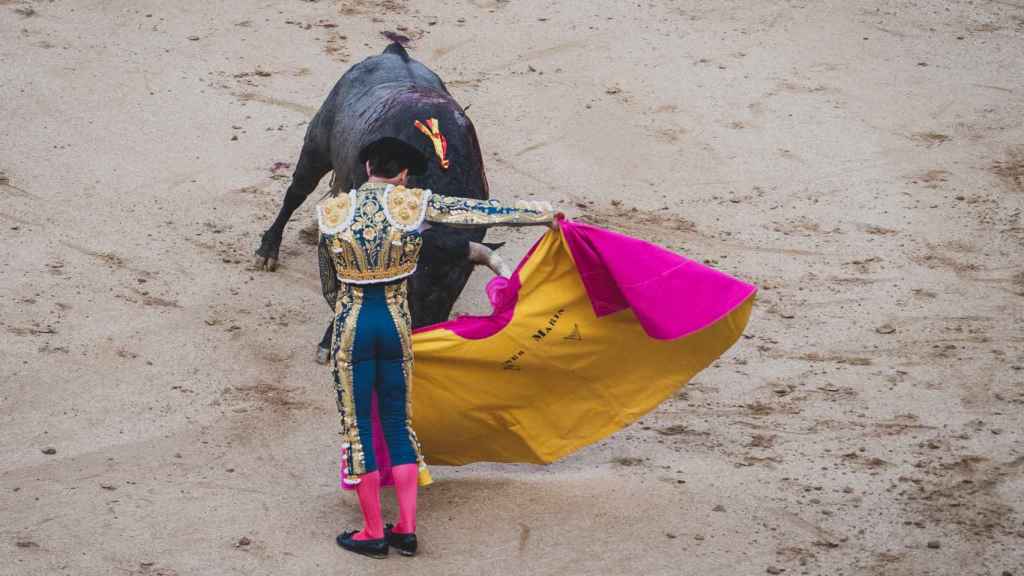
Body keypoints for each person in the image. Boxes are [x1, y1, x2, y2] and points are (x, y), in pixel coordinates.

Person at [317, 136, 558, 558]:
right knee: (397, 424)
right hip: (396, 324)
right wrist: (540, 214)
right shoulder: (413, 205)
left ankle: (372, 531)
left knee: (359, 432)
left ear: (368, 166)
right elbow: (477, 211)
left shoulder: (331, 211)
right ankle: (406, 529)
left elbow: (329, 282)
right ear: (404, 175)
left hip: (353, 325)